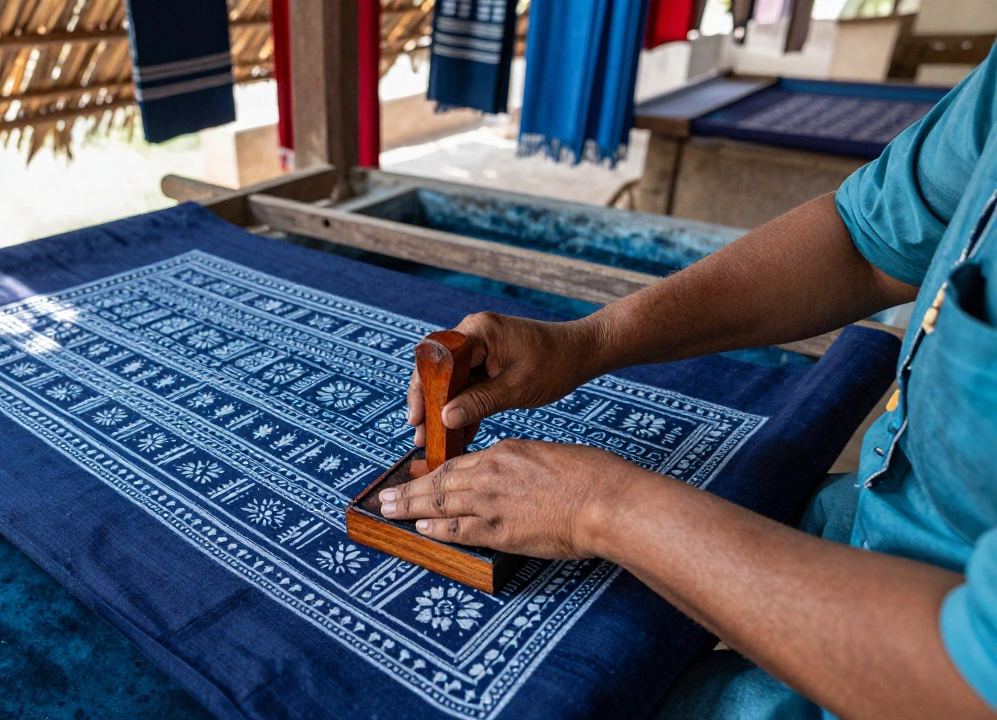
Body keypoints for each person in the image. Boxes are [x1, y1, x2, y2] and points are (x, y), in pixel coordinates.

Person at [382, 51, 997, 720]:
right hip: (878, 511)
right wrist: (590, 342)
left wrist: (600, 506)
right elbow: (865, 238)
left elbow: (968, 681)